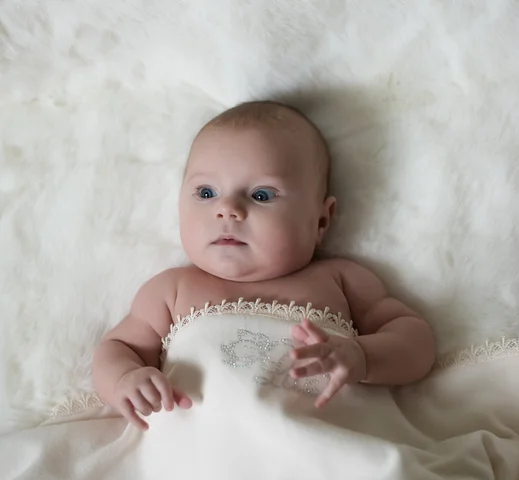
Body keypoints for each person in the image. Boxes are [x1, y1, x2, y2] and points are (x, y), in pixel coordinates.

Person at [93, 100, 435, 431]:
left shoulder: (340, 280)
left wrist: (363, 356)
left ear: (320, 221)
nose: (227, 209)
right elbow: (119, 348)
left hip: (330, 450)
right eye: (207, 192)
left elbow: (415, 342)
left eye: (261, 195)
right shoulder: (171, 290)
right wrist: (126, 379)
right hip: (202, 459)